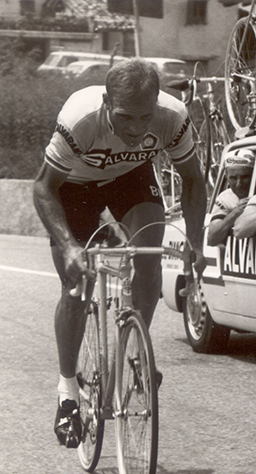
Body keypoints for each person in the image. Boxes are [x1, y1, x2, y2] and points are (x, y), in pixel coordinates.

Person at [33, 58, 207, 448]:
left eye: (145, 118)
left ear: (157, 104)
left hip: (129, 177)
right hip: (73, 187)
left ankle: (134, 348)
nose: (136, 129)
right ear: (106, 102)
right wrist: (69, 245)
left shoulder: (172, 116)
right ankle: (67, 393)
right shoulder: (81, 116)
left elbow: (194, 180)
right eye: (126, 117)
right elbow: (43, 188)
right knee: (77, 284)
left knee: (148, 256)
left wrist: (196, 241)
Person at [207, 149, 255, 246]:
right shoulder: (225, 198)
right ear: (226, 177)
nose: (239, 184)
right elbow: (211, 238)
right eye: (233, 178)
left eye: (244, 177)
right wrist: (236, 212)